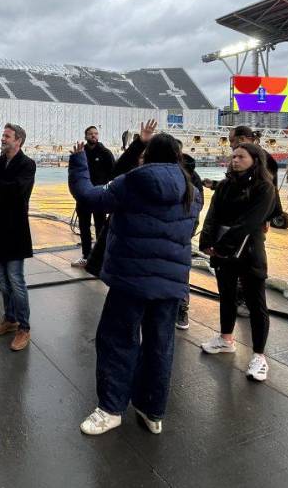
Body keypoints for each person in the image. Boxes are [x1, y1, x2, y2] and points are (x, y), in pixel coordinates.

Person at [69, 132, 202, 436]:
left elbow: (89, 197)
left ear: (147, 155)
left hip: (131, 278)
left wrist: (78, 163)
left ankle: (111, 408)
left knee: (118, 341)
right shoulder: (192, 190)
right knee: (160, 345)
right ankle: (152, 410)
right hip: (171, 282)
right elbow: (189, 228)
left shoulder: (134, 181)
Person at [110, 121, 204, 330]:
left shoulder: (136, 178)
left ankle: (182, 308)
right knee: (159, 336)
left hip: (138, 260)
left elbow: (113, 178)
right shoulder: (187, 182)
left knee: (123, 332)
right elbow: (196, 209)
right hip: (170, 255)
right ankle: (181, 308)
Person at [199, 143, 277, 382]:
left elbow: (251, 222)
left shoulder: (265, 188)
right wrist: (207, 241)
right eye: (233, 156)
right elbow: (212, 215)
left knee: (256, 303)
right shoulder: (225, 185)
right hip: (223, 251)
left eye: (241, 156)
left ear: (255, 159)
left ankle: (259, 355)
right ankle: (226, 338)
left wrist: (221, 246)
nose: (235, 160)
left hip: (250, 251)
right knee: (227, 295)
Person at [203, 125, 282, 318]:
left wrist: (268, 216)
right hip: (238, 218)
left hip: (252, 217)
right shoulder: (240, 160)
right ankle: (237, 298)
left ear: (243, 139)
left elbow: (267, 188)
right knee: (233, 261)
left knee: (248, 259)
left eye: (231, 140)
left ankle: (246, 299)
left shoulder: (262, 160)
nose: (231, 147)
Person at [0, 124, 37, 352]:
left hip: (15, 232)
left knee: (16, 281)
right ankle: (10, 319)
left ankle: (24, 328)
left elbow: (18, 191)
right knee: (3, 281)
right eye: (3, 135)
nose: (3, 139)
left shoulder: (27, 165)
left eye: (7, 136)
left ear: (19, 141)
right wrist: (0, 187)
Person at [71, 125, 115, 268]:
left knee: (100, 228)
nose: (94, 136)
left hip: (99, 196)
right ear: (86, 136)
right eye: (91, 134)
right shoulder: (81, 153)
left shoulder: (105, 153)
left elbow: (113, 174)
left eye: (96, 133)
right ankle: (86, 256)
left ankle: (100, 258)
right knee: (84, 227)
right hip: (84, 198)